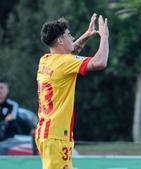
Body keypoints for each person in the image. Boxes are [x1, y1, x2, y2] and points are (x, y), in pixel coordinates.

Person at [35, 13, 109, 169]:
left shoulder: (46, 60)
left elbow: (71, 51)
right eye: (69, 35)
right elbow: (100, 62)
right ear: (60, 40)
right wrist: (104, 37)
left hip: (49, 133)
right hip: (55, 136)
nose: (73, 37)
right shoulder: (64, 62)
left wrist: (87, 35)